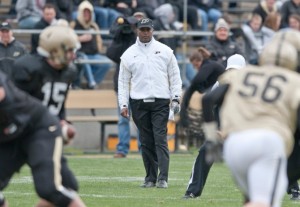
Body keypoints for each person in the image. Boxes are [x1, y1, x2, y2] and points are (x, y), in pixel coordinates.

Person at [201, 39, 300, 207]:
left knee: (253, 199)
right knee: (263, 202)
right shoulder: (293, 80)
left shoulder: (242, 74)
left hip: (235, 144)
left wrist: (211, 138)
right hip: (268, 142)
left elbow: (209, 99)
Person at [0, 71, 86, 207]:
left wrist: (59, 122)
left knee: (51, 189)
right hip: (9, 134)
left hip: (37, 129)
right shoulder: (26, 66)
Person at [118, 18, 182, 188]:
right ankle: (150, 178)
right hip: (138, 102)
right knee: (146, 141)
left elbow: (175, 76)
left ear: (152, 30)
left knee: (160, 138)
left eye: (148, 29)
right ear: (137, 31)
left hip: (160, 101)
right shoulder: (128, 54)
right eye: (142, 30)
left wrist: (175, 97)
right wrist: (123, 104)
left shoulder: (165, 51)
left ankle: (163, 178)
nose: (145, 33)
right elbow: (123, 81)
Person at [182, 53, 245, 199]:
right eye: (230, 70)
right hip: (225, 129)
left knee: (269, 153)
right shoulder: (221, 83)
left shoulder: (252, 84)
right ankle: (192, 191)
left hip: (247, 130)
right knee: (205, 151)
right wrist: (214, 130)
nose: (233, 74)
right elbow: (209, 103)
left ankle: (293, 189)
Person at [106, 15, 138, 158]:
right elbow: (111, 54)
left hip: (138, 86)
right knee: (123, 119)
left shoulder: (139, 41)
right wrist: (119, 37)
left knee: (140, 120)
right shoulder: (120, 39)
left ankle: (144, 149)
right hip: (123, 85)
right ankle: (122, 149)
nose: (129, 29)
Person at [70, 0, 111, 89]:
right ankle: (91, 82)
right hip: (79, 54)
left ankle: (93, 83)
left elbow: (99, 40)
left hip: (93, 54)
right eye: (84, 13)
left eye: (88, 13)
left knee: (107, 63)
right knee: (83, 58)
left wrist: (99, 48)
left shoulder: (94, 26)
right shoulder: (74, 25)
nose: (86, 15)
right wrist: (80, 38)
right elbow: (68, 40)